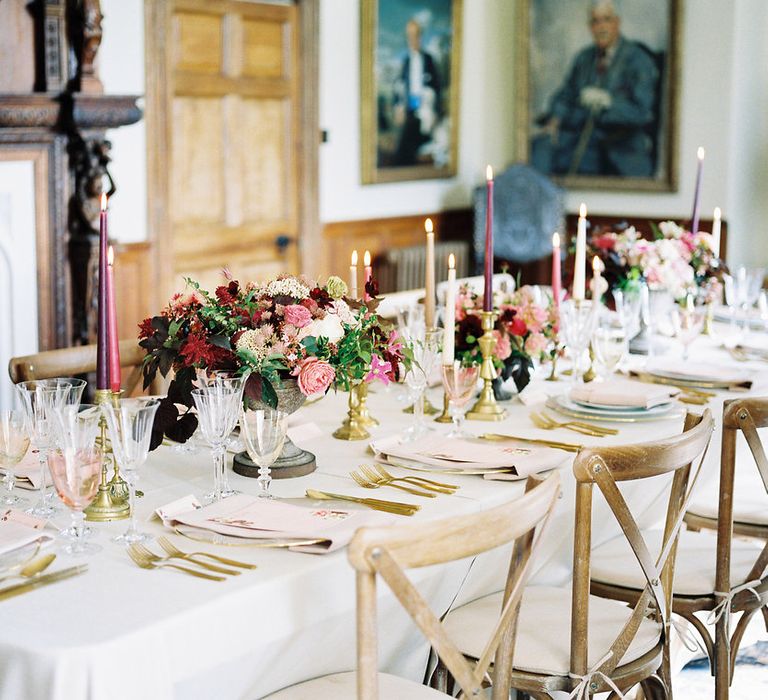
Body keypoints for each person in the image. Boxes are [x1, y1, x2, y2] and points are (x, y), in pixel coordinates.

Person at [536, 0, 660, 177]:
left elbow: (642, 112)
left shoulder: (639, 61)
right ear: (590, 27)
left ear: (617, 22)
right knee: (540, 150)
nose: (601, 27)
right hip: (580, 143)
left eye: (606, 20)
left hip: (622, 147)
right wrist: (555, 119)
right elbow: (566, 95)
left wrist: (609, 102)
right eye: (595, 21)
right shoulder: (584, 58)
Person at [392, 19, 442, 166]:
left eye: (415, 35)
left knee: (423, 147)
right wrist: (398, 107)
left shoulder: (428, 60)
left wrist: (435, 112)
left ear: (420, 36)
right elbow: (398, 86)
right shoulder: (406, 61)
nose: (412, 39)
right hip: (409, 109)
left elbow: (437, 87)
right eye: (410, 35)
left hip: (426, 110)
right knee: (405, 147)